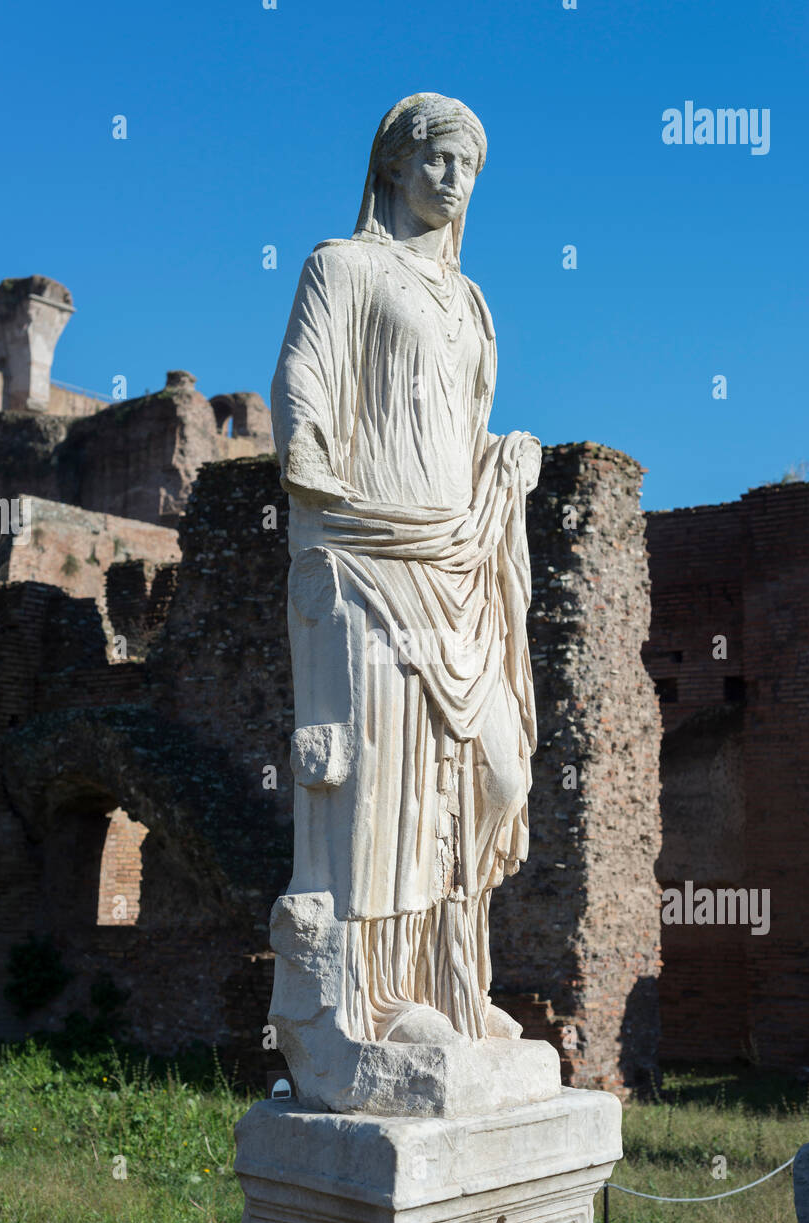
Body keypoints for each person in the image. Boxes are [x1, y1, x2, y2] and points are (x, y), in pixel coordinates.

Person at [271, 92, 541, 1047]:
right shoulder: (341, 267)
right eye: (434, 159)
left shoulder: (470, 304)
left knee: (492, 777)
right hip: (364, 551)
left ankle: (456, 983)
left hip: (453, 554)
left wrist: (504, 460)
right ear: (389, 164)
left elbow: (460, 431)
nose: (452, 180)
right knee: (385, 776)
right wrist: (306, 454)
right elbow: (304, 381)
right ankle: (377, 1003)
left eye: (466, 167)